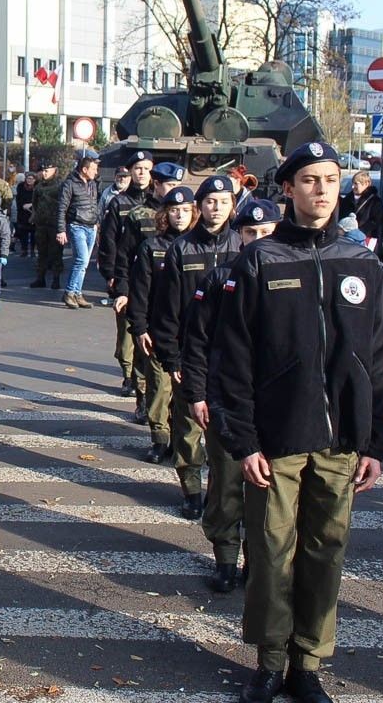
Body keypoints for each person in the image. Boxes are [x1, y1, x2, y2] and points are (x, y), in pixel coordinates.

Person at [213, 140, 383, 703]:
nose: (322, 190)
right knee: (271, 553)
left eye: (331, 180)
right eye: (310, 180)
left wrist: (375, 442)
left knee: (325, 551)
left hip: (340, 442)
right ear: (288, 189)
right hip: (276, 440)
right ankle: (270, 660)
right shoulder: (260, 261)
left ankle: (307, 662)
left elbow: (379, 360)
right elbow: (232, 357)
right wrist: (243, 440)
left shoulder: (361, 262)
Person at [181, 198, 280, 594]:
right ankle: (225, 557)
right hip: (226, 402)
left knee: (268, 492)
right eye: (251, 232)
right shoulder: (219, 280)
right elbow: (197, 342)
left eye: (266, 232)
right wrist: (197, 393)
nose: (258, 239)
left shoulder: (295, 277)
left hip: (275, 405)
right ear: (240, 236)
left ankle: (257, 561)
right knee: (225, 486)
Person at [152, 175, 241, 519]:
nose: (216, 208)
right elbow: (167, 308)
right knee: (188, 425)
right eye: (209, 202)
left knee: (228, 428)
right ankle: (191, 488)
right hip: (191, 353)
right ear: (199, 207)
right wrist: (172, 357)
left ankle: (222, 490)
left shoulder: (244, 245)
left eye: (223, 202)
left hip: (233, 355)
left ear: (232, 206)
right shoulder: (181, 248)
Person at [120, 180, 194, 462]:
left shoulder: (197, 247)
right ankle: (160, 438)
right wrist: (140, 328)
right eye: (174, 210)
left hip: (190, 333)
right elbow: (140, 291)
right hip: (158, 331)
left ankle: (180, 439)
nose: (179, 215)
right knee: (159, 388)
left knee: (186, 392)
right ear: (165, 214)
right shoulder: (152, 247)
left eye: (185, 210)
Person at [98, 151, 154, 398]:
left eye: (146, 168)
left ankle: (143, 380)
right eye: (138, 168)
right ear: (130, 171)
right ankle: (128, 375)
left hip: (152, 278)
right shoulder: (118, 203)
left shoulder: (158, 203)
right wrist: (110, 274)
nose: (142, 173)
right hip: (126, 276)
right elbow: (109, 241)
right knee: (126, 334)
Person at [56, 152, 101, 309]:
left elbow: (94, 204)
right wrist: (61, 230)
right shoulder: (69, 184)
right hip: (77, 226)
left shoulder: (93, 184)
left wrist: (96, 224)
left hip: (91, 226)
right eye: (93, 169)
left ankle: (77, 293)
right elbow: (61, 208)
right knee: (81, 260)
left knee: (84, 263)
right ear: (84, 169)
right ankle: (69, 293)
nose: (96, 172)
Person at [30, 163, 65, 289]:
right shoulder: (39, 186)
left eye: (47, 171)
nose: (44, 173)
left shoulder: (60, 185)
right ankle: (40, 278)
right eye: (43, 171)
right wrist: (35, 217)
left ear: (54, 170)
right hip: (41, 224)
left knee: (56, 253)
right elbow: (35, 203)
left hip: (55, 224)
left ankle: (56, 279)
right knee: (41, 252)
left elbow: (64, 204)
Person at [337, 171, 383, 250]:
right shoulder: (347, 200)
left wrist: (357, 232)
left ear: (366, 184)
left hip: (366, 241)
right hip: (346, 240)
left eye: (356, 184)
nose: (353, 187)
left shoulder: (375, 202)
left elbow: (376, 222)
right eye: (353, 183)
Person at [14, 171, 37, 256]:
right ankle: (24, 250)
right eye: (28, 178)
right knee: (23, 232)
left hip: (33, 212)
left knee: (34, 233)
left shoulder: (37, 187)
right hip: (22, 212)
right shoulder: (21, 186)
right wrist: (22, 205)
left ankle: (33, 250)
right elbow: (18, 198)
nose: (29, 180)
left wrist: (31, 205)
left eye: (31, 179)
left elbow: (38, 199)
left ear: (34, 180)